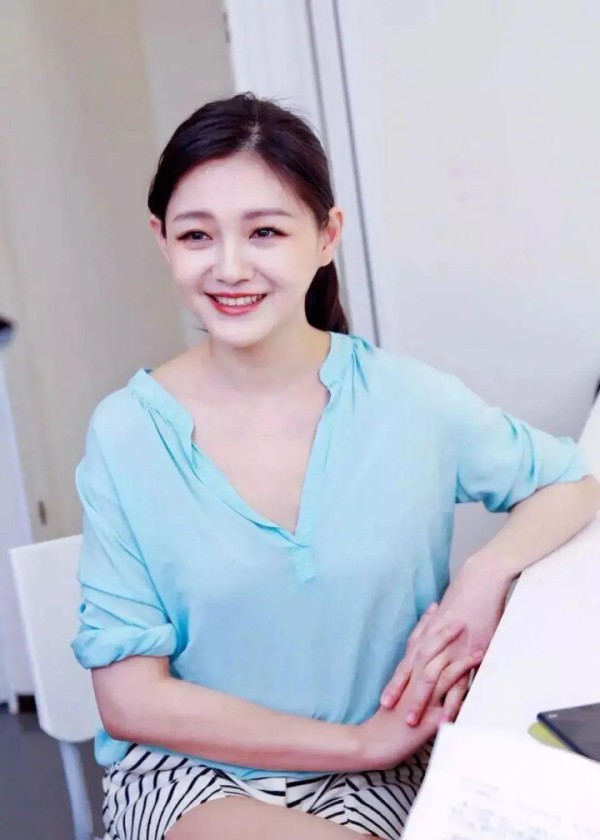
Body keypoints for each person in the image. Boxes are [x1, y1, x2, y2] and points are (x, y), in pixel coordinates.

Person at [72, 93, 600, 840]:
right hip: (196, 776)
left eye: (265, 231)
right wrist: (357, 743)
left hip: (384, 773)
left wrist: (486, 575)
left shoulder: (410, 401)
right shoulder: (128, 433)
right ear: (163, 240)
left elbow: (572, 483)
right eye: (197, 234)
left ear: (326, 236)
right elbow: (131, 700)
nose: (230, 267)